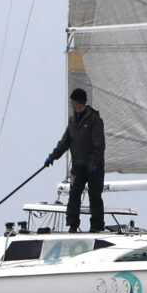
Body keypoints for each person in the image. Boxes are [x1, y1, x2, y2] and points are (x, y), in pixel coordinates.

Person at [48, 87, 107, 232]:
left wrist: (94, 161)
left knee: (95, 196)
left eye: (72, 101)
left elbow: (99, 144)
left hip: (94, 167)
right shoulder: (73, 120)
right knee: (74, 195)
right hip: (78, 166)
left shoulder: (94, 119)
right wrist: (53, 156)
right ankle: (73, 225)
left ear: (78, 101)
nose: (71, 104)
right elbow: (65, 141)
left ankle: (96, 226)